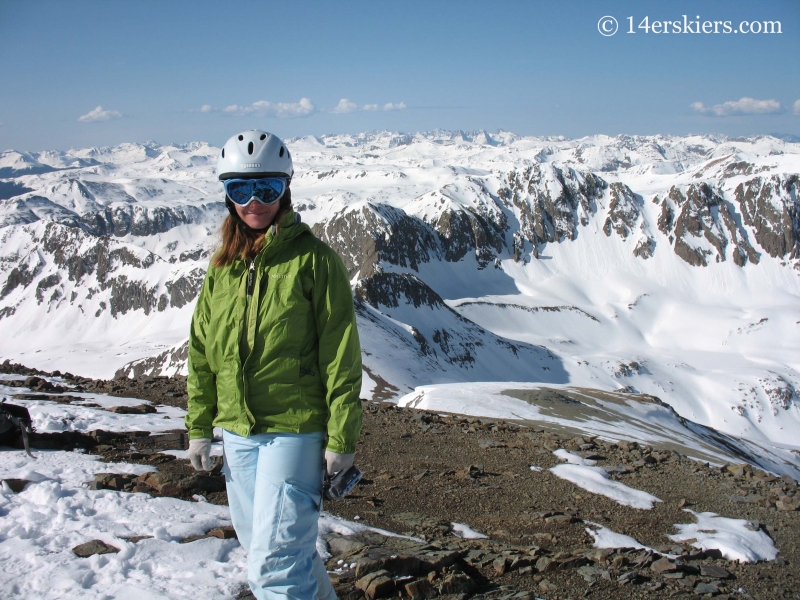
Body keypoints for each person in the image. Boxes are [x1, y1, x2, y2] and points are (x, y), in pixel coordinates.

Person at [185, 130, 363, 600]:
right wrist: (200, 425)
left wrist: (342, 437)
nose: (253, 202)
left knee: (273, 570)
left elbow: (341, 354)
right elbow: (203, 351)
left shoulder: (315, 261)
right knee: (276, 552)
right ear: (226, 195)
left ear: (286, 189)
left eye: (267, 188)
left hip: (295, 430)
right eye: (240, 190)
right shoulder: (222, 267)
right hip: (239, 434)